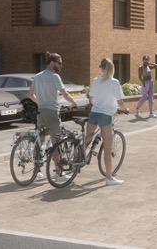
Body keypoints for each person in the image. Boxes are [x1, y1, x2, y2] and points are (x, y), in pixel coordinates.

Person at [84, 58, 130, 186]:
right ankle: (109, 178)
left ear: (102, 68)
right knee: (107, 148)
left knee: (87, 140)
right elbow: (120, 101)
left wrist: (98, 105)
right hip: (105, 115)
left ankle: (77, 162)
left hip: (94, 112)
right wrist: (125, 109)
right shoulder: (114, 82)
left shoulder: (96, 80)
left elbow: (91, 98)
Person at [29, 52, 78, 156]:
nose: (61, 65)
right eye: (59, 63)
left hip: (41, 111)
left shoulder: (37, 76)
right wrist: (73, 103)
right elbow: (65, 94)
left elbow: (30, 94)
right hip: (52, 112)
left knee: (40, 140)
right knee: (56, 141)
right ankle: (58, 170)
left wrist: (41, 102)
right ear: (51, 63)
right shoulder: (54, 76)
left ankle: (37, 169)